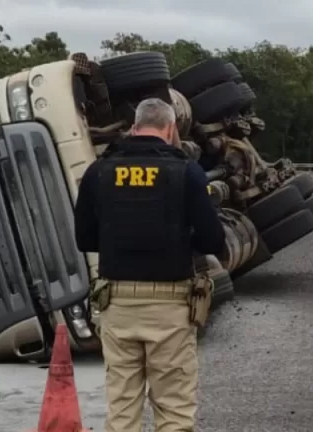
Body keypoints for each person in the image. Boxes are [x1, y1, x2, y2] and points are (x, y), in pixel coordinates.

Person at [73, 97, 226, 432]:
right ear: (170, 129)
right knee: (173, 410)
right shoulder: (187, 172)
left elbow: (84, 239)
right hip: (170, 306)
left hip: (117, 304)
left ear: (133, 127)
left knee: (122, 410)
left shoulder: (98, 171)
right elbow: (214, 241)